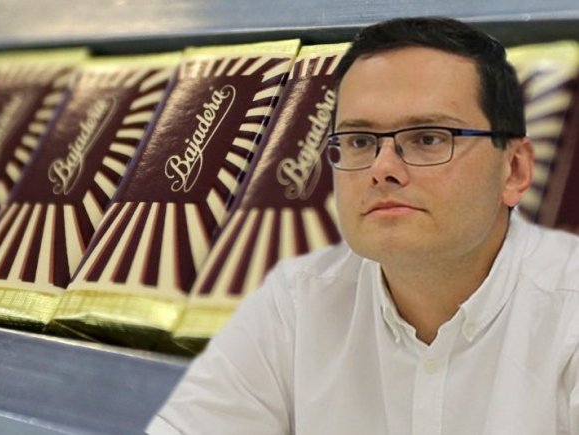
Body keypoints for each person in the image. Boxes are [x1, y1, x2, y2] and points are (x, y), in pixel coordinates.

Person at [146, 17, 579, 434]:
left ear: (514, 170)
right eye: (358, 141)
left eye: (427, 138)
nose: (382, 169)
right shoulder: (296, 303)